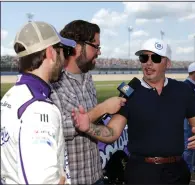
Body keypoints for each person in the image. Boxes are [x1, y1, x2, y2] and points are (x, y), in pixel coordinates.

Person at [71, 38, 195, 184]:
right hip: (140, 173)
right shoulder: (129, 93)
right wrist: (88, 127)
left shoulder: (182, 90)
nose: (148, 63)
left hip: (176, 172)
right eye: (144, 58)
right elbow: (112, 132)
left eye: (155, 58)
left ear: (168, 63)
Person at [50, 20, 126, 184]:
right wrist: (103, 108)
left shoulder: (87, 78)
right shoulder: (54, 81)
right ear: (77, 47)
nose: (99, 52)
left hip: (95, 175)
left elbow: (90, 124)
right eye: (95, 46)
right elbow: (59, 129)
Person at [1, 21, 77, 184]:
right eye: (63, 51)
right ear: (51, 53)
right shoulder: (39, 108)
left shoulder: (10, 96)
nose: (64, 58)